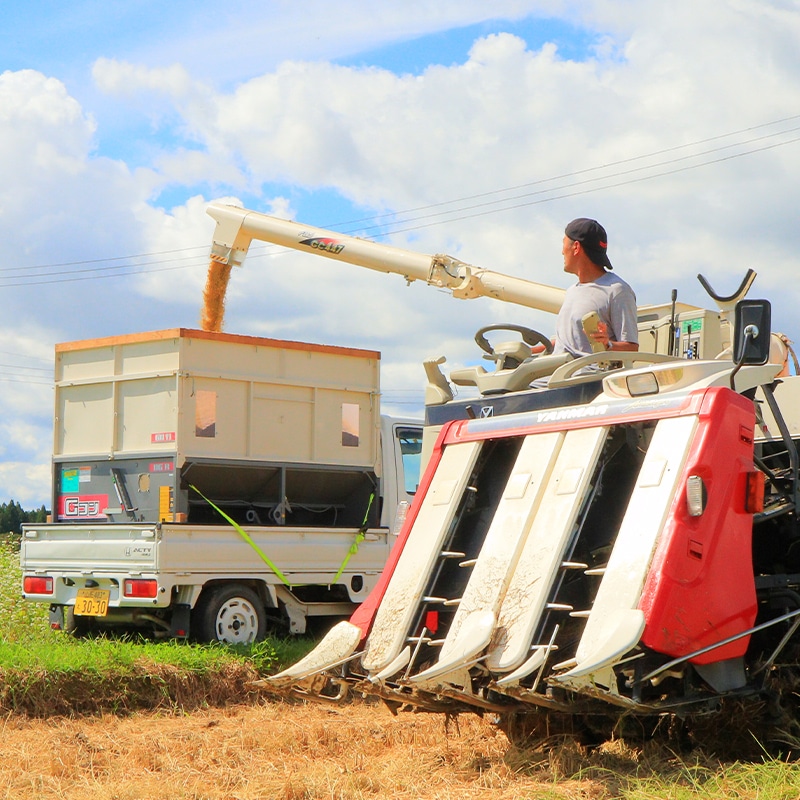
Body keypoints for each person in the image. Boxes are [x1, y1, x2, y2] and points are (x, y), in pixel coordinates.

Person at [553, 217, 639, 357]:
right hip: (557, 371)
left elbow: (632, 348)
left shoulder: (618, 291)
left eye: (563, 244)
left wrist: (607, 345)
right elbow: (566, 344)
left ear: (576, 247)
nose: (562, 252)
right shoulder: (571, 291)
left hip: (584, 375)